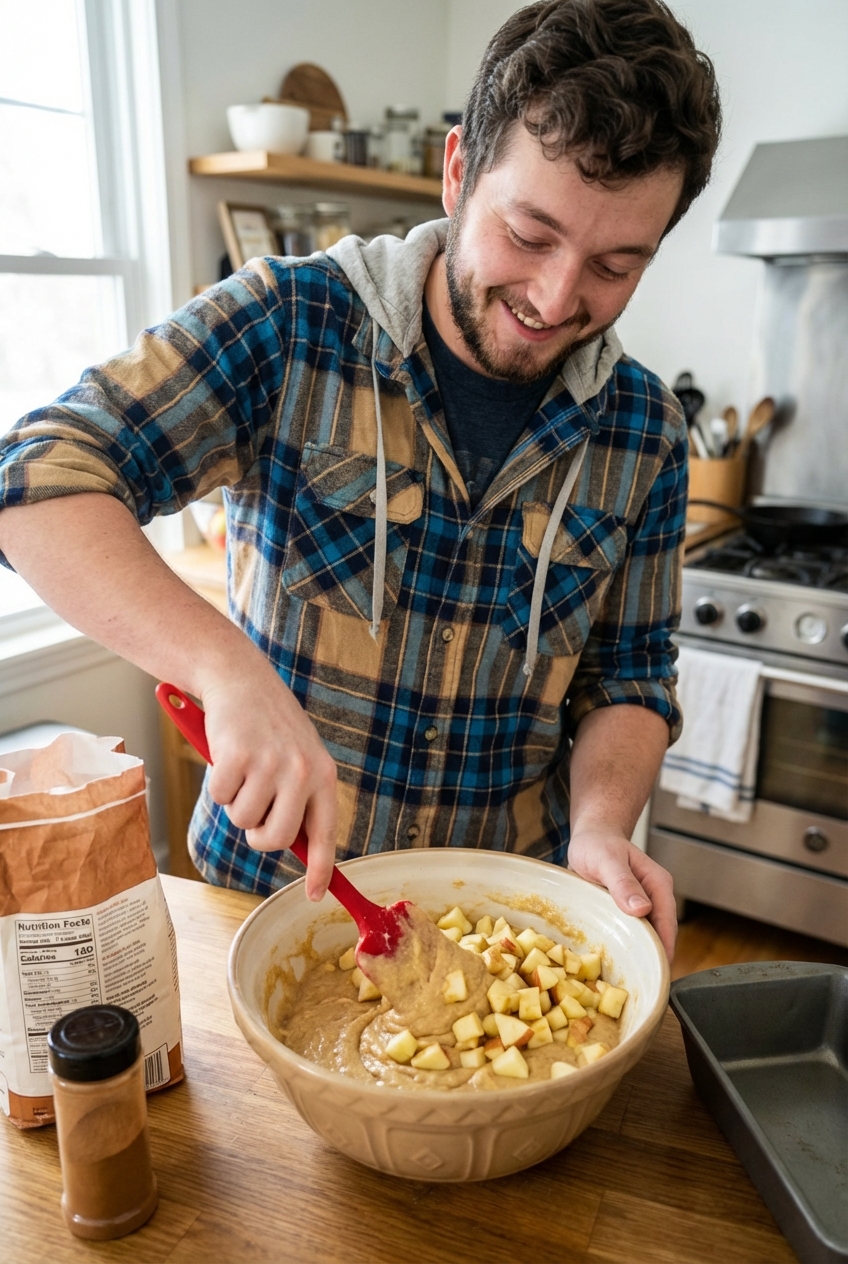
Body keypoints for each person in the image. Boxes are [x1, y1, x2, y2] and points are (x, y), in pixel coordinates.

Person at [0, 0, 721, 961]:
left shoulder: (647, 430)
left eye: (615, 264)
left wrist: (600, 823)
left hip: (505, 931)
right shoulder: (289, 323)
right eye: (530, 234)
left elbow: (628, 678)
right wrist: (224, 669)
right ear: (459, 170)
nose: (556, 300)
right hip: (266, 905)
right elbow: (35, 482)